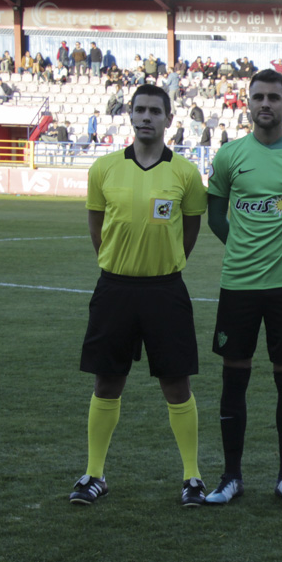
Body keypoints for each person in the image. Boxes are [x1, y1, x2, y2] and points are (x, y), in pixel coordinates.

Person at [69, 84, 208, 507]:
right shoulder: (104, 169)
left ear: (169, 119)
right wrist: (118, 262)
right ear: (130, 115)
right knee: (107, 381)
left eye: (155, 111)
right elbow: (97, 227)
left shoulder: (184, 173)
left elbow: (190, 230)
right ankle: (94, 474)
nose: (146, 117)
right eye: (140, 110)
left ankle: (192, 477)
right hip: (115, 288)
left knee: (176, 383)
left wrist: (163, 263)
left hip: (165, 290)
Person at [204, 69, 282, 506]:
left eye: (273, 97)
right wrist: (243, 249)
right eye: (258, 96)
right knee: (233, 379)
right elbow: (216, 216)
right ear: (247, 101)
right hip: (237, 285)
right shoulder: (228, 156)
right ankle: (230, 476)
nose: (265, 104)